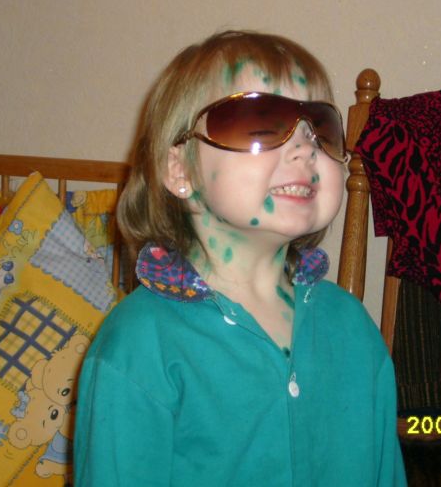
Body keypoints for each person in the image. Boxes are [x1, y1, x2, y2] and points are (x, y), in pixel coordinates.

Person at [73, 30, 406, 486]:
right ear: (180, 170)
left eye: (321, 127)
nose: (305, 146)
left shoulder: (352, 327)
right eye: (260, 122)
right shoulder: (138, 346)